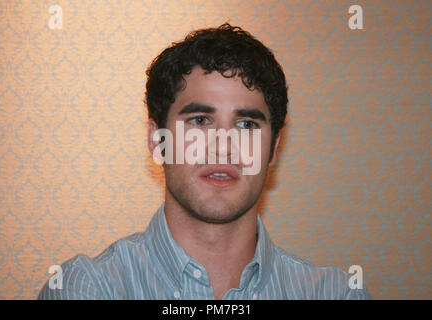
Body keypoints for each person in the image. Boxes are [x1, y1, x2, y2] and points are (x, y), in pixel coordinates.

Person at [38, 23, 371, 300]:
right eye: (199, 121)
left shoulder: (337, 294)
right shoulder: (85, 289)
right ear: (158, 141)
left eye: (247, 125)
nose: (223, 147)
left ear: (273, 150)